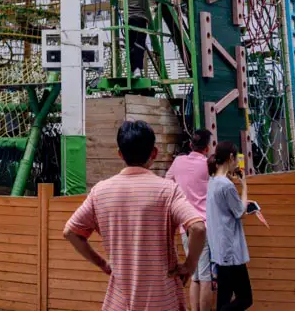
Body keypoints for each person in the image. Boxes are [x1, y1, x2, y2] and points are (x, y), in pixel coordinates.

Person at [64, 120, 206, 311]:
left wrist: (103, 264)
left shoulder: (100, 192)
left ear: (120, 154)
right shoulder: (167, 191)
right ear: (154, 153)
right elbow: (197, 227)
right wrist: (190, 265)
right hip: (162, 301)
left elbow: (70, 232)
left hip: (118, 302)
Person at [166, 129, 214, 311]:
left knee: (194, 275)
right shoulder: (209, 164)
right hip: (204, 226)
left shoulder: (178, 162)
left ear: (191, 145)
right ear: (207, 147)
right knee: (205, 276)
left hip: (184, 225)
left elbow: (167, 181)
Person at [206, 142, 252, 311]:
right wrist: (244, 185)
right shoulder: (226, 186)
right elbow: (240, 211)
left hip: (219, 250)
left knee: (224, 300)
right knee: (245, 298)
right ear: (231, 157)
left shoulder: (212, 182)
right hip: (231, 251)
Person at [126, 0, 151, 80]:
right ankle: (138, 69)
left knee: (131, 45)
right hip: (141, 20)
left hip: (130, 20)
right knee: (139, 45)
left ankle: (133, 69)